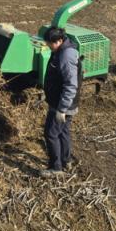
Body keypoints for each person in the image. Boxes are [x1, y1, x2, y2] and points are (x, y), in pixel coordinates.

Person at [40, 27, 82, 178]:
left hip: (61, 104)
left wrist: (62, 109)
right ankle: (66, 160)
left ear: (59, 41)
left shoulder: (66, 55)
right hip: (61, 101)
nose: (48, 46)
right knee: (63, 131)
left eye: (50, 43)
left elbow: (71, 85)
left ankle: (55, 167)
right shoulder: (62, 50)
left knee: (51, 134)